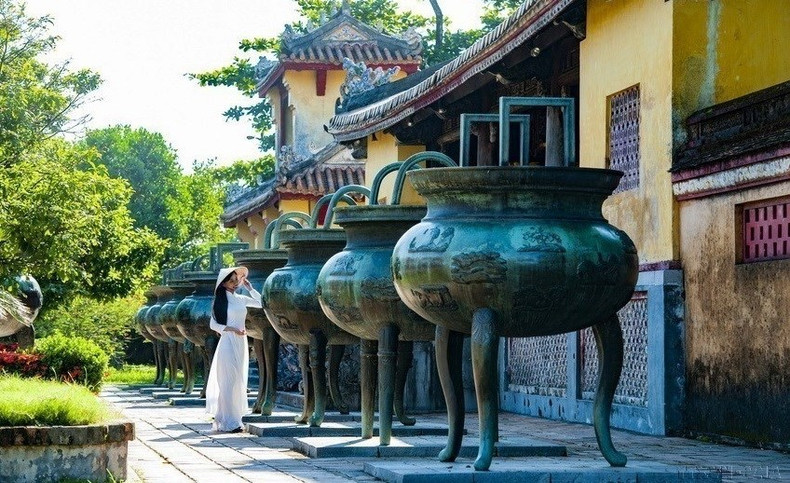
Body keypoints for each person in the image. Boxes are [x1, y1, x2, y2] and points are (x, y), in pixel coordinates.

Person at [205, 266, 262, 432]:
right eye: (231, 281)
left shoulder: (241, 299)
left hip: (240, 343)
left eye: (236, 280)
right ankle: (230, 422)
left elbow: (260, 303)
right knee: (228, 381)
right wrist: (232, 329)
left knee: (238, 380)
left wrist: (250, 288)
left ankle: (232, 419)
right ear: (223, 284)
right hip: (228, 342)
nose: (235, 283)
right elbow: (213, 324)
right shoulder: (220, 302)